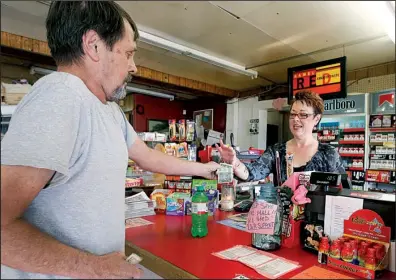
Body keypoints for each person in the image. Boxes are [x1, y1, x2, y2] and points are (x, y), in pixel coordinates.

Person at [0, 2, 219, 279]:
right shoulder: (60, 97)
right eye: (128, 53)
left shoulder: (108, 110)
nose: (134, 66)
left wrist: (204, 169)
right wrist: (93, 267)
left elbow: (147, 156)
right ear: (93, 46)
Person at [217, 90, 345, 185]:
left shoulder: (329, 154)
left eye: (303, 115)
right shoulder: (277, 151)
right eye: (293, 114)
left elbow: (342, 188)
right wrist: (235, 163)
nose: (295, 119)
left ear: (316, 119)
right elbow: (253, 172)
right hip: (283, 219)